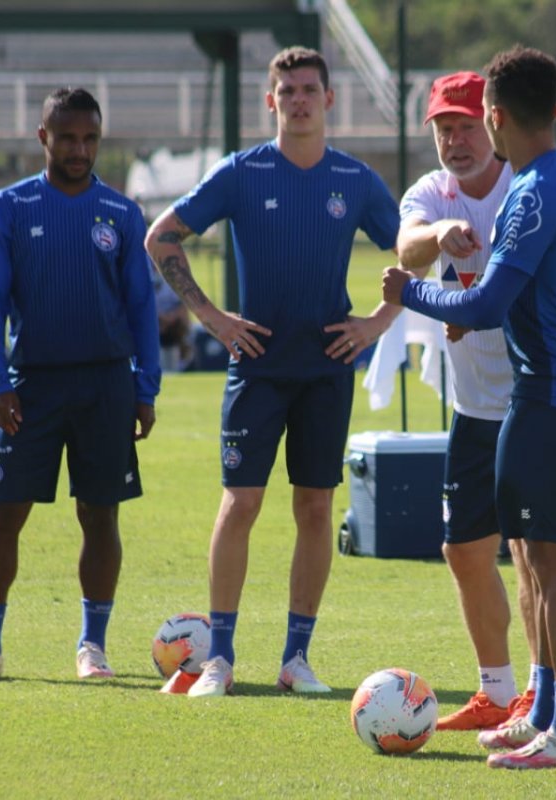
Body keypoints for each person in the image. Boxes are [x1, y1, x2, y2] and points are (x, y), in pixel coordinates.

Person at [382, 46, 556, 769]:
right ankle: (544, 713)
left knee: (553, 563)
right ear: (553, 109)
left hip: (555, 388)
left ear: (493, 117)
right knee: (536, 557)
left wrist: (410, 292)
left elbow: (485, 304)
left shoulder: (533, 191)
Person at [144, 46, 399, 698]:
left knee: (316, 508)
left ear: (330, 99)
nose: (300, 100)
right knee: (242, 503)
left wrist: (375, 323)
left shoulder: (356, 180)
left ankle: (296, 658)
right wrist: (210, 316)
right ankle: (220, 659)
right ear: (271, 101)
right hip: (255, 367)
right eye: (287, 91)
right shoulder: (242, 173)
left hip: (326, 368)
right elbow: (161, 237)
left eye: (310, 89)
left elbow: (412, 250)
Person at [0, 87, 161, 683]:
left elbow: (141, 307)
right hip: (32, 386)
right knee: (2, 515)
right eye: (67, 137)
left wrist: (146, 388)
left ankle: (92, 646)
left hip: (105, 386)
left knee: (100, 517)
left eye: (90, 138)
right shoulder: (10, 207)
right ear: (43, 137)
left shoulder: (121, 213)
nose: (79, 148)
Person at [396, 71, 540, 733]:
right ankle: (495, 691)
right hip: (475, 406)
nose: (454, 139)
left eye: (464, 124)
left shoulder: (527, 185)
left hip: (536, 402)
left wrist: (482, 309)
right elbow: (406, 249)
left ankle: (542, 697)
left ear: (492, 122)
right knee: (463, 550)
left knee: (532, 551)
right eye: (442, 128)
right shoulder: (432, 192)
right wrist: (442, 232)